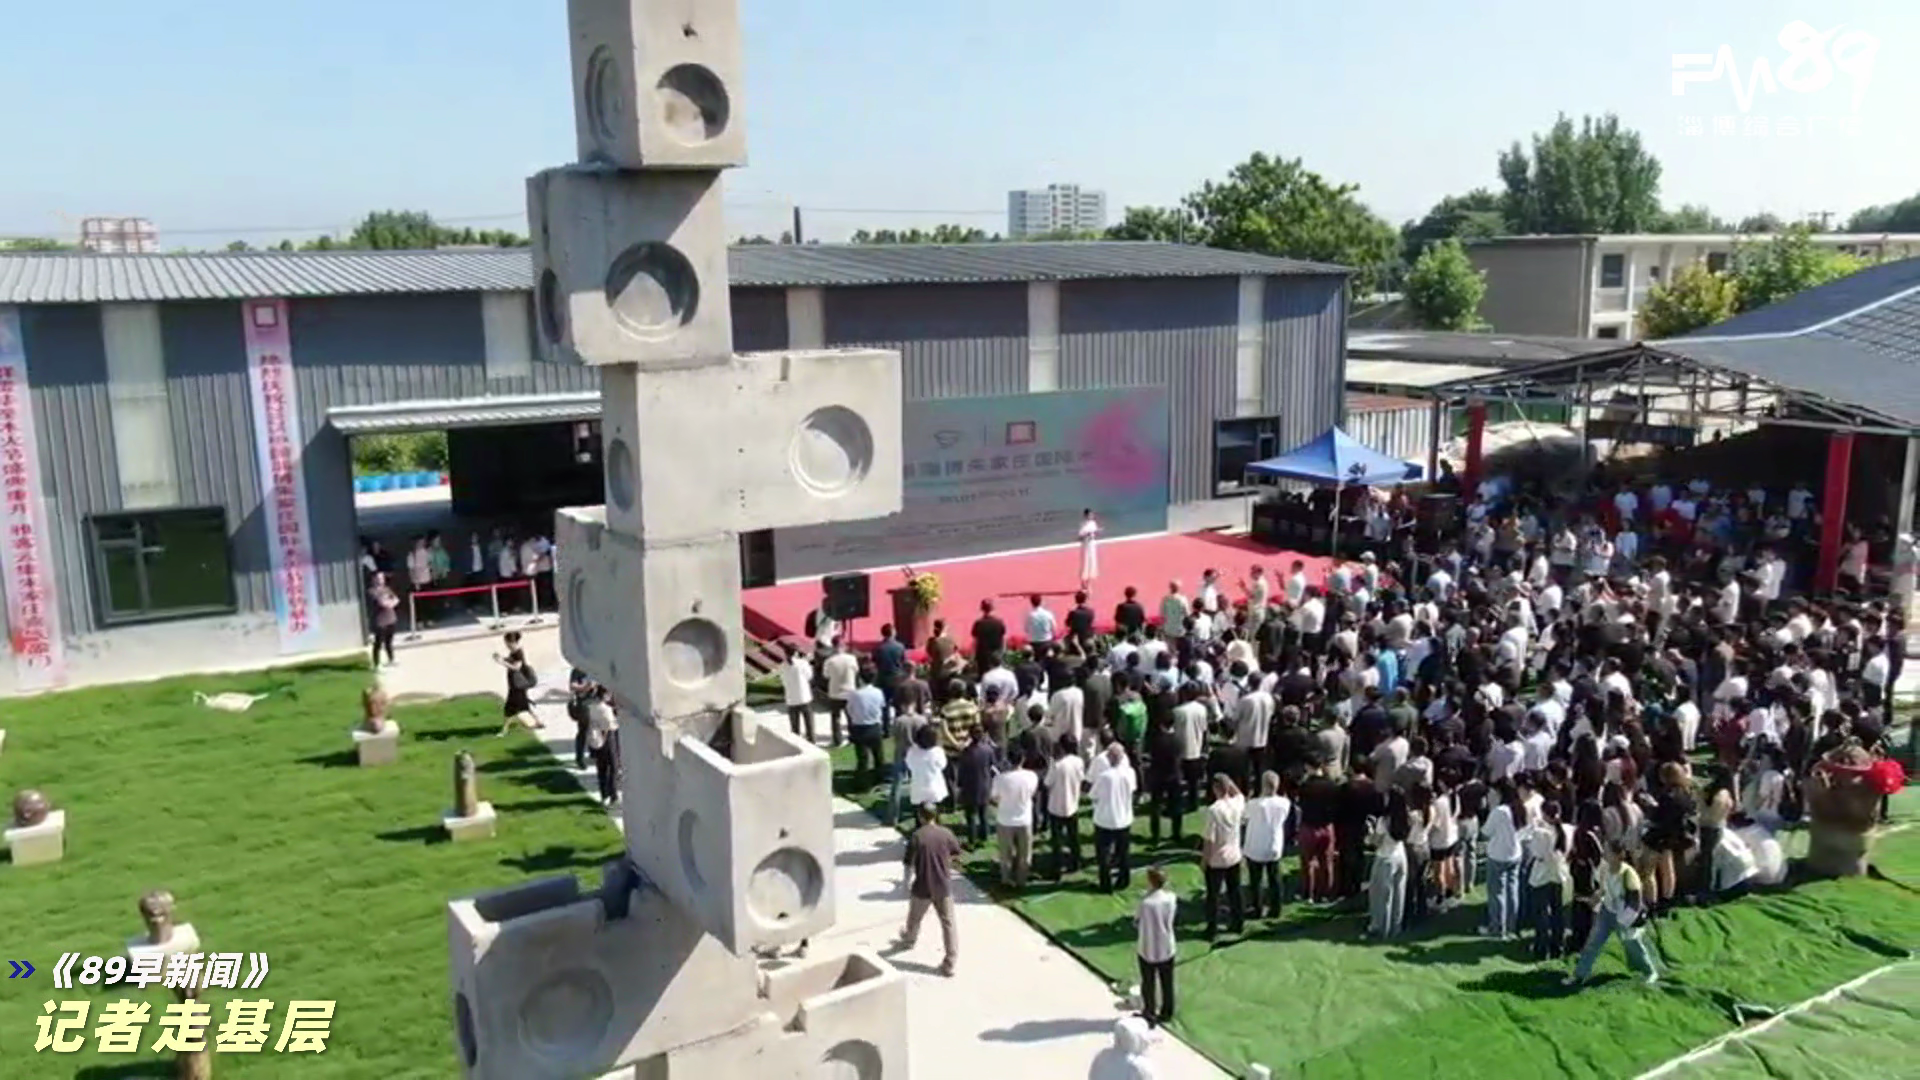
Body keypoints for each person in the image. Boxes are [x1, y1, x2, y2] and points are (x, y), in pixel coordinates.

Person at [1568, 837, 1660, 987]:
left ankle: (1650, 972)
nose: (1604, 853)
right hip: (1607, 911)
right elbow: (1603, 889)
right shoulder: (1605, 869)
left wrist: (1624, 921)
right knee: (1593, 943)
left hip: (1624, 915)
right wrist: (1595, 898)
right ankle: (1579, 975)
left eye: (1608, 851)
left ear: (1619, 855)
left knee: (1632, 944)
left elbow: (1635, 902)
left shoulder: (1628, 874)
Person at [896, 804, 961, 977]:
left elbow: (908, 864)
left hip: (922, 885)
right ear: (935, 815)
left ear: (920, 816)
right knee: (948, 923)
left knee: (914, 918)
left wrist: (905, 884)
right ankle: (950, 963)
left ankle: (909, 939)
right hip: (943, 886)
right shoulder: (946, 833)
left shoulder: (917, 836)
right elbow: (956, 852)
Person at [1201, 774, 1246, 941]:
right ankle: (1238, 922)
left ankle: (1211, 928)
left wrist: (1204, 860)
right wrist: (1229, 782)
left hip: (1217, 858)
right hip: (1234, 854)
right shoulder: (1237, 804)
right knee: (1235, 891)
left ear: (1215, 789)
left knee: (1213, 895)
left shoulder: (1214, 810)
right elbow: (1239, 794)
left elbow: (1209, 840)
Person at [1089, 740, 1138, 892]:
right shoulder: (1130, 773)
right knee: (1123, 852)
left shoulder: (1104, 776)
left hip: (1105, 819)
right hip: (1123, 818)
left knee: (1103, 854)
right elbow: (1132, 790)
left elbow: (1093, 795)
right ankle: (1124, 880)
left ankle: (1105, 884)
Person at [1526, 800, 1571, 960]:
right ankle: (1557, 946)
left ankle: (1541, 947)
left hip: (1542, 875)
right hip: (1558, 874)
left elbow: (1537, 853)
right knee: (1558, 912)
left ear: (1544, 814)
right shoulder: (1566, 830)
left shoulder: (1541, 833)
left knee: (1541, 913)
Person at [1135, 866, 1178, 1028]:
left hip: (1148, 947)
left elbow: (1137, 920)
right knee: (1167, 981)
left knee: (1148, 982)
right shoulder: (1171, 898)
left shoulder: (1146, 903)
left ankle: (1150, 1013)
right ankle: (1167, 1011)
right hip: (1166, 946)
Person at [1243, 771, 1290, 919]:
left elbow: (1244, 816)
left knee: (1256, 880)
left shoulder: (1254, 804)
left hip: (1255, 845)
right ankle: (1276, 908)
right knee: (1274, 878)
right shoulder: (1284, 803)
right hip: (1273, 844)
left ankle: (1257, 908)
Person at [1481, 780, 1523, 940]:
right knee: (1512, 891)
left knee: (1497, 893)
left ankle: (1497, 928)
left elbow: (1486, 831)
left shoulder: (1499, 811)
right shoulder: (1519, 807)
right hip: (1515, 853)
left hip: (1498, 855)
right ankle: (1511, 926)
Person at [991, 751, 1039, 887]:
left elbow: (994, 797)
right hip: (1025, 819)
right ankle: (1021, 880)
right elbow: (1032, 793)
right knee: (1025, 854)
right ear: (1023, 759)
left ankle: (1006, 880)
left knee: (1005, 853)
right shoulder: (1031, 776)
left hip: (1005, 819)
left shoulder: (1000, 779)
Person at [1045, 735, 1088, 880]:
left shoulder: (1057, 764)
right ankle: (1076, 862)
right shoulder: (1078, 761)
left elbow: (1047, 782)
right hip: (1072, 804)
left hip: (1056, 806)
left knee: (1057, 840)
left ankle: (1056, 870)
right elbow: (1081, 778)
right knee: (1073, 837)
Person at [845, 666, 888, 788]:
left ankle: (861, 783)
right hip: (875, 726)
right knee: (879, 756)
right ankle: (880, 779)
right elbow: (882, 706)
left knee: (862, 758)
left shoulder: (855, 694)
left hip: (859, 727)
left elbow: (849, 710)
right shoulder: (878, 692)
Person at [493, 635, 539, 736]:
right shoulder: (514, 652)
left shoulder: (518, 653)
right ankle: (538, 722)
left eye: (507, 643)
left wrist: (502, 662)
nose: (506, 645)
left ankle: (504, 730)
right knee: (524, 705)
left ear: (512, 642)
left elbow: (516, 667)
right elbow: (512, 661)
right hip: (516, 684)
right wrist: (502, 658)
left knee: (509, 708)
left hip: (517, 684)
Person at [904, 724, 949, 815]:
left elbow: (909, 765)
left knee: (919, 813)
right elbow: (943, 765)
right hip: (935, 787)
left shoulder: (912, 751)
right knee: (935, 814)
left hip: (919, 788)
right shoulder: (937, 751)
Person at [585, 688, 619, 806]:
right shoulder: (605, 709)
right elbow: (610, 725)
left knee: (601, 768)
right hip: (607, 738)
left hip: (596, 738)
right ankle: (613, 794)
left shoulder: (591, 707)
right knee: (613, 767)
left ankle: (604, 794)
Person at [821, 640, 859, 748]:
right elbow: (856, 671)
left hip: (835, 692)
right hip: (849, 691)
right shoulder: (852, 658)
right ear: (844, 646)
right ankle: (853, 738)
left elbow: (826, 675)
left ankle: (837, 740)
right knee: (851, 717)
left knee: (835, 718)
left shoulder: (829, 661)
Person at [781, 645, 816, 743]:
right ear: (796, 653)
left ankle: (797, 743)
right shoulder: (803, 663)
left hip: (791, 699)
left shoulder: (783, 666)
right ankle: (811, 741)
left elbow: (784, 682)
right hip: (804, 697)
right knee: (809, 723)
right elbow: (809, 676)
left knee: (795, 726)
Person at [367, 572, 400, 668]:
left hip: (391, 618)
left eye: (382, 578)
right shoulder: (372, 591)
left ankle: (391, 659)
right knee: (378, 643)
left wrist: (390, 603)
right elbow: (381, 602)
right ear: (373, 579)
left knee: (389, 642)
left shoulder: (387, 589)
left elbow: (396, 600)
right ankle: (376, 663)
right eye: (378, 578)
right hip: (380, 621)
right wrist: (390, 603)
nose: (380, 580)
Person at [567, 667, 596, 769]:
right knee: (583, 731)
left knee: (596, 730)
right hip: (583, 705)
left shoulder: (597, 667)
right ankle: (580, 758)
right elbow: (572, 686)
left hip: (596, 703)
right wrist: (585, 687)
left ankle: (594, 752)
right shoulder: (578, 670)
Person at [1079, 508, 1102, 590]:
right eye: (1089, 515)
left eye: (1092, 514)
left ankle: (1089, 583)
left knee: (1092, 562)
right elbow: (1080, 535)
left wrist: (1097, 532)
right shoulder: (1083, 524)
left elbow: (1095, 533)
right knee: (1085, 563)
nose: (1091, 516)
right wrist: (1087, 534)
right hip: (1086, 545)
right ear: (1086, 515)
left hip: (1092, 545)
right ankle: (1083, 581)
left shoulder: (1093, 523)